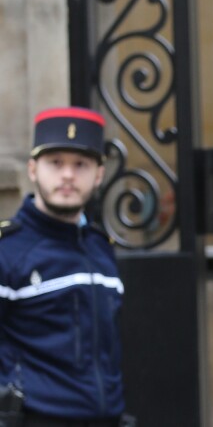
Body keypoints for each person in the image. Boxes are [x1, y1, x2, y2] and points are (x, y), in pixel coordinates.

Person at [0, 107, 131, 427]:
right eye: (55, 163)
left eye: (81, 164)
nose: (68, 175)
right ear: (33, 169)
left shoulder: (101, 247)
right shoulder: (7, 249)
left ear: (99, 174)